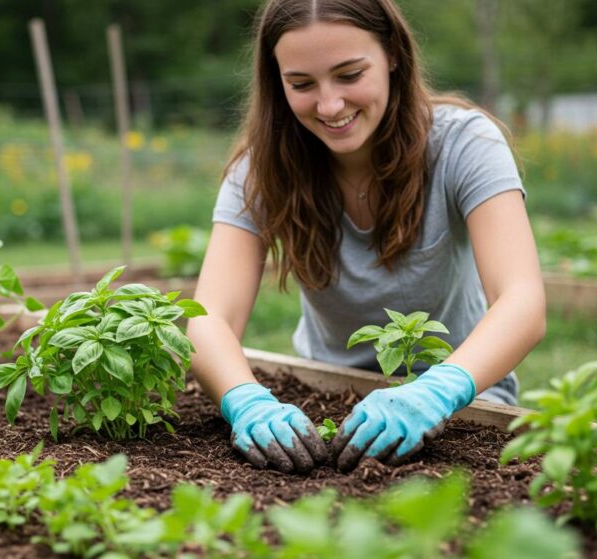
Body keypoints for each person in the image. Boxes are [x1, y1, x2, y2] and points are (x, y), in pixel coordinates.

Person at [186, 0, 545, 474]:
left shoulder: (464, 144)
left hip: (464, 398)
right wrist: (246, 400)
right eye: (301, 84)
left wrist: (437, 391)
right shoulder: (260, 171)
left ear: (393, 53)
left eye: (350, 75)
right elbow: (209, 317)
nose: (330, 105)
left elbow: (522, 300)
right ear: (278, 81)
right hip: (324, 398)